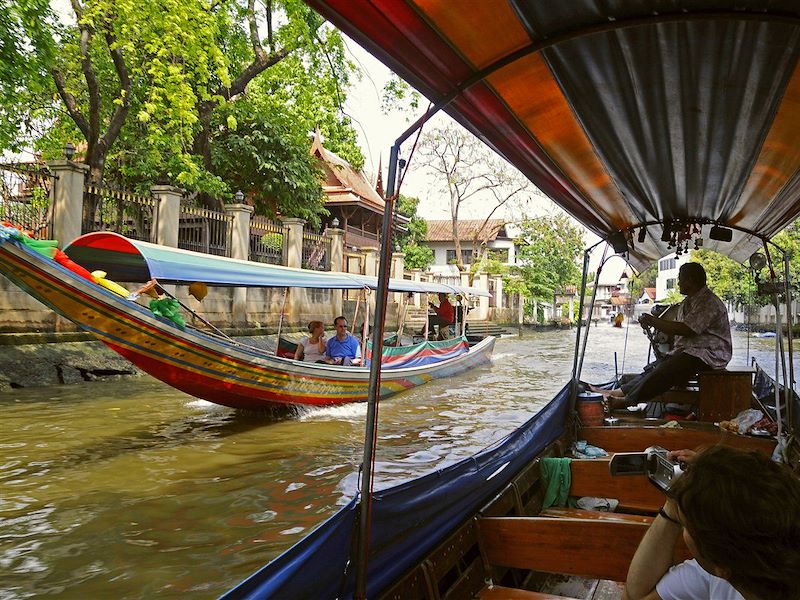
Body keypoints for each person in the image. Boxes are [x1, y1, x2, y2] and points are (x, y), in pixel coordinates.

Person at [623, 445, 800, 600]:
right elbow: (638, 596)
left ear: (721, 566)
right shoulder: (740, 567)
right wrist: (675, 501)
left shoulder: (725, 571)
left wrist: (677, 506)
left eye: (687, 525)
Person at [594, 263, 731, 415]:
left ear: (690, 280)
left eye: (680, 279)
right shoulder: (689, 302)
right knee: (654, 368)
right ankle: (617, 393)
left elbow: (687, 329)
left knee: (668, 370)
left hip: (710, 355)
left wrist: (653, 321)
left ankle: (627, 401)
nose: (678, 283)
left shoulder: (708, 302)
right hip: (691, 352)